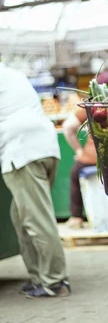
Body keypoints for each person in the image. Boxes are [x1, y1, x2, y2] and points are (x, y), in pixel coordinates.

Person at [0, 64, 70, 297]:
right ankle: (39, 277)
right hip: (45, 147)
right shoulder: (13, 73)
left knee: (36, 219)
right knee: (20, 216)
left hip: (21, 151)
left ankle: (55, 281)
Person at [62, 70, 108, 228]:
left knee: (74, 174)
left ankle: (76, 217)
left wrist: (79, 151)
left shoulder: (90, 105)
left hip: (92, 158)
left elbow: (67, 127)